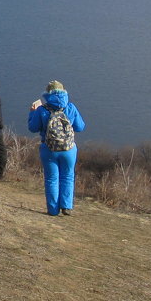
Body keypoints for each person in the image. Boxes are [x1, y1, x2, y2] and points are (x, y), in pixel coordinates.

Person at [28, 80, 87, 216]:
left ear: (47, 94)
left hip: (49, 149)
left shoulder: (42, 110)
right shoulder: (71, 108)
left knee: (51, 178)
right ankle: (66, 207)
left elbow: (32, 128)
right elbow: (80, 127)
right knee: (67, 176)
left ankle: (53, 209)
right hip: (69, 149)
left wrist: (33, 112)